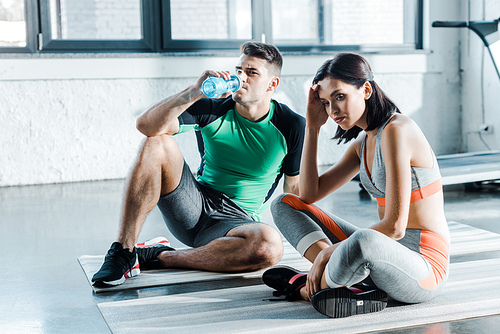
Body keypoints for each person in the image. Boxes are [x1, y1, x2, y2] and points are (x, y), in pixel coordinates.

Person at [92, 41, 305, 287]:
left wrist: (306, 241)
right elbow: (145, 126)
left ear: (272, 84)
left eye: (251, 72)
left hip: (236, 223)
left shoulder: (291, 125)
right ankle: (124, 251)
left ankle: (160, 256)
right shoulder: (213, 107)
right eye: (239, 70)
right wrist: (193, 92)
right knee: (157, 141)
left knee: (269, 246)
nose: (241, 77)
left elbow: (293, 190)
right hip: (193, 208)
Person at [262, 53, 450, 318]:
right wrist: (312, 127)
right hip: (381, 258)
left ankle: (308, 288)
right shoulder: (362, 145)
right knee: (285, 202)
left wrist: (330, 251)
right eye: (326, 102)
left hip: (422, 269)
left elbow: (395, 227)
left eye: (339, 96)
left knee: (364, 240)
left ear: (366, 89)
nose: (333, 110)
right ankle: (333, 280)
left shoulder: (398, 129)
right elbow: (308, 194)